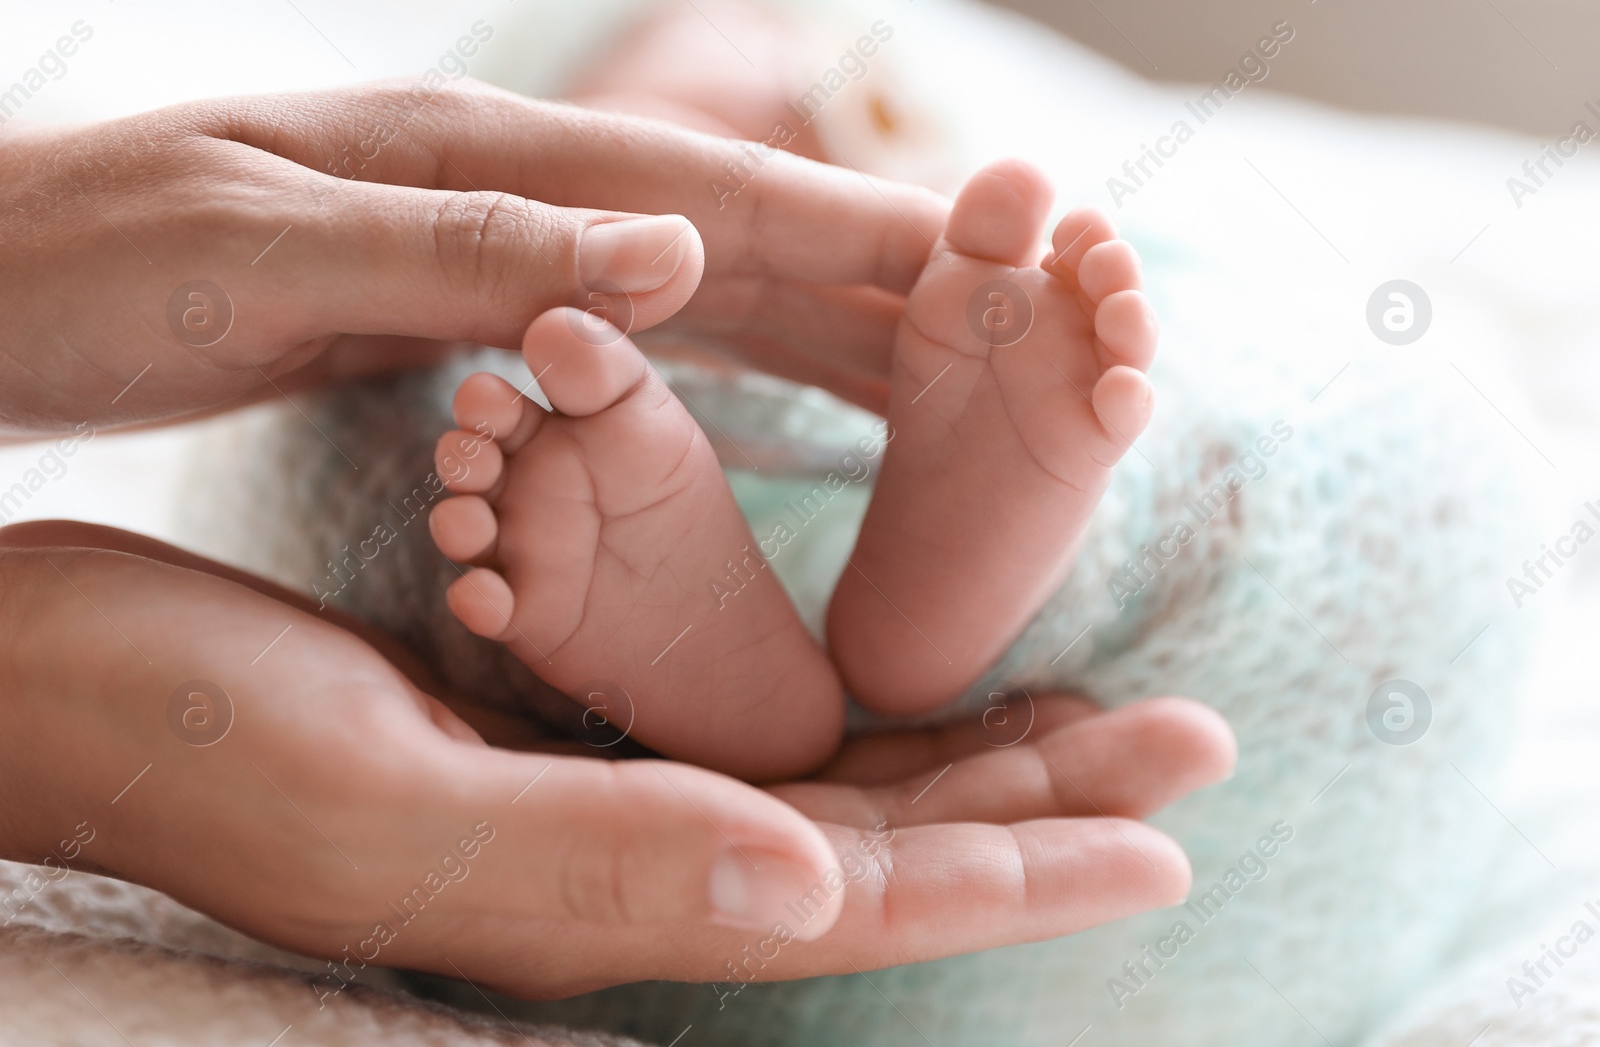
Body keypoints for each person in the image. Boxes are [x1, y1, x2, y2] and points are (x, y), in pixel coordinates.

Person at [0, 79, 1235, 999]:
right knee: (653, 177)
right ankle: (946, 605)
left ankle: (755, 666)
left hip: (436, 577)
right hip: (1120, 781)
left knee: (602, 238)